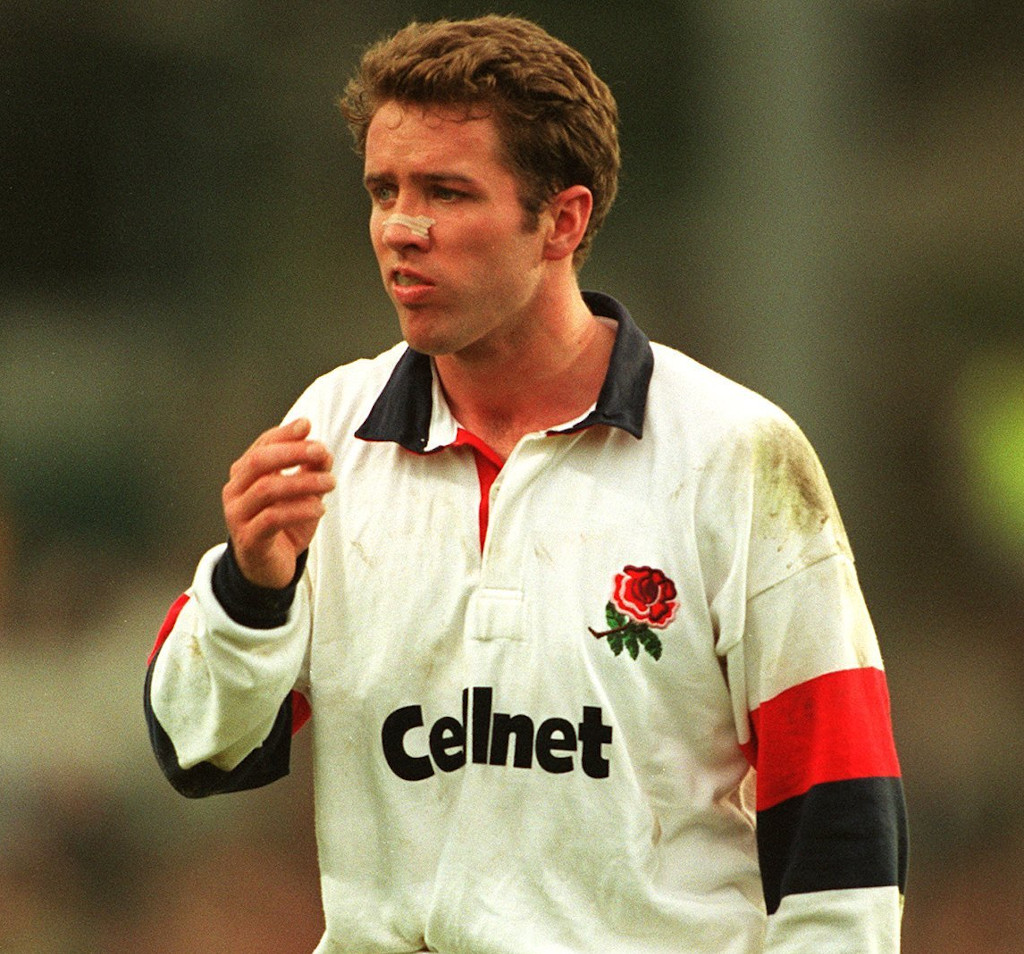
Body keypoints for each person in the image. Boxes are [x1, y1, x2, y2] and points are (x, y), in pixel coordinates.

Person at [144, 14, 908, 953]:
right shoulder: (332, 429)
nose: (401, 229)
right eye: (384, 190)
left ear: (563, 220)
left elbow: (839, 819)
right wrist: (252, 591)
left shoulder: (736, 453)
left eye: (447, 192)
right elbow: (198, 750)